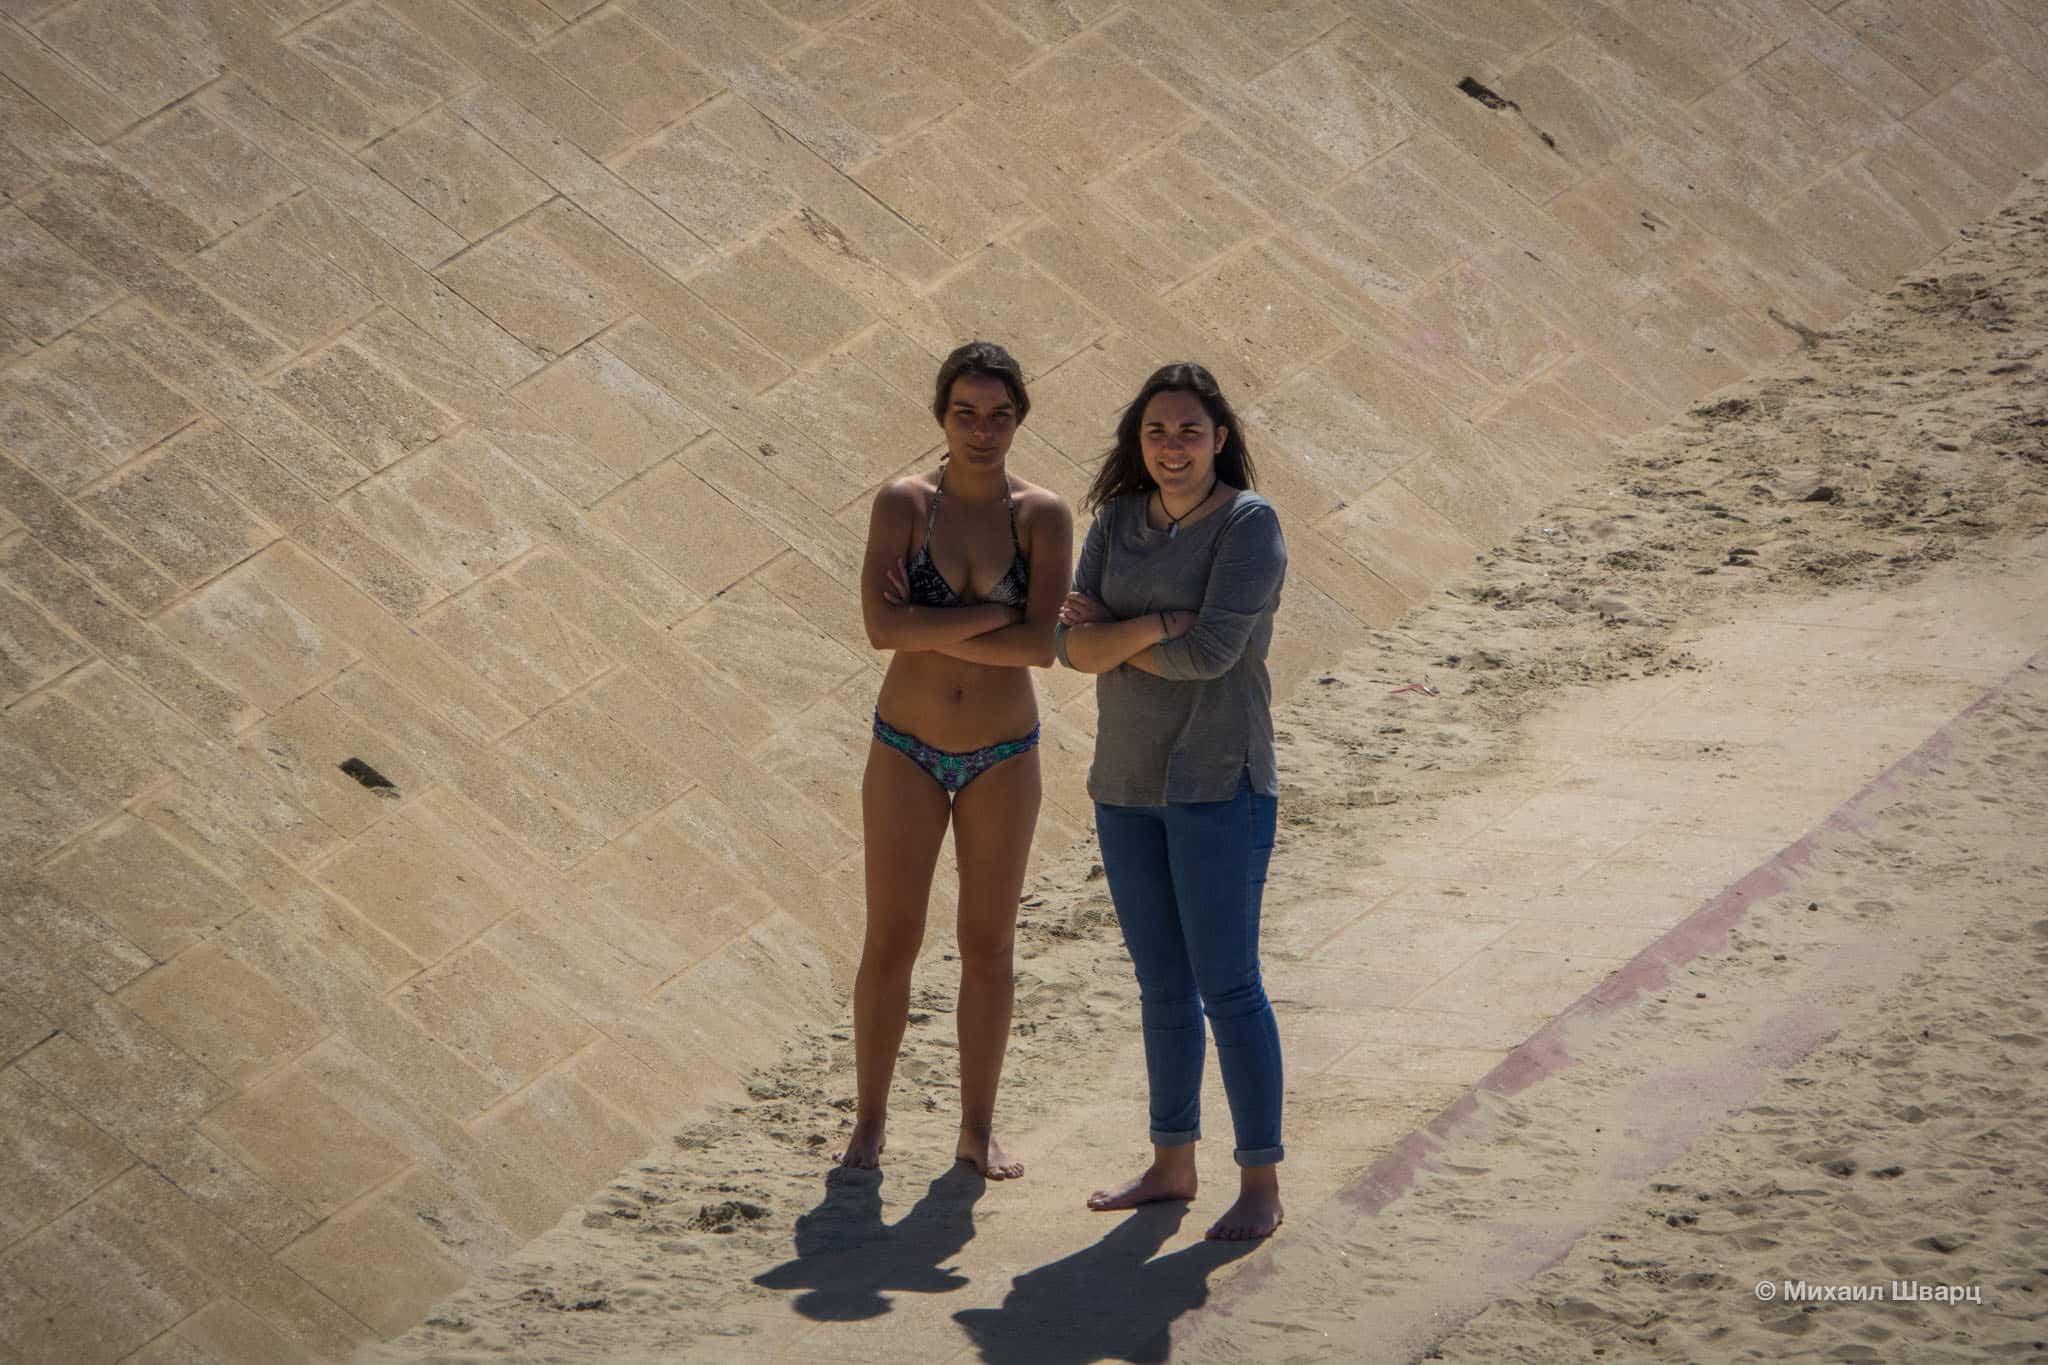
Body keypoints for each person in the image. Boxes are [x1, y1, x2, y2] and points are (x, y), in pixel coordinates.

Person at [1055, 361, 1288, 1240]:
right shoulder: (1116, 520)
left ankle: (1259, 1179)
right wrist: (1156, 625)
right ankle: (1172, 1162)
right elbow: (1068, 648)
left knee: (1229, 986)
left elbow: (1213, 654)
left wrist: (1113, 636)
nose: (1173, 446)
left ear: (1220, 437)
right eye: (1157, 431)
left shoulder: (1249, 524)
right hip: (1124, 785)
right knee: (1162, 987)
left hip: (1218, 782)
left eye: (1190, 430)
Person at [842, 340, 1073, 1180]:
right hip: (905, 746)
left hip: (1003, 755)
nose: (983, 431)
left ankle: (977, 1128)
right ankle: (869, 1122)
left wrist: (934, 627)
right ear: (941, 415)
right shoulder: (905, 503)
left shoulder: (1042, 516)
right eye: (966, 413)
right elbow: (881, 630)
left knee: (988, 942)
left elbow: (1041, 649)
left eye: (999, 415)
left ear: (1020, 419)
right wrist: (992, 620)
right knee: (891, 938)